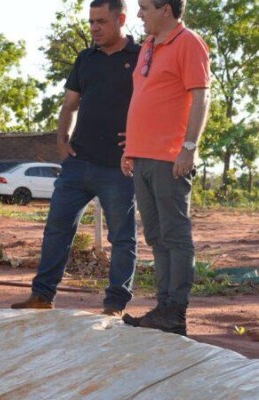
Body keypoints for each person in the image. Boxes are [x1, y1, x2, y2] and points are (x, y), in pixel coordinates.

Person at [11, 0, 139, 316]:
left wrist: (140, 139)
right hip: (77, 163)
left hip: (118, 167)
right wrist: (61, 140)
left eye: (101, 21)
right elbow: (69, 105)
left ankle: (114, 304)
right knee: (57, 229)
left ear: (121, 19)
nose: (94, 28)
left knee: (122, 238)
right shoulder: (85, 58)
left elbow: (156, 103)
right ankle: (42, 295)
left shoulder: (140, 57)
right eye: (91, 22)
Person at [121, 0, 210, 335]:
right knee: (156, 235)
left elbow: (201, 96)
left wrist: (189, 147)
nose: (139, 14)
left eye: (145, 7)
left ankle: (176, 311)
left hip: (169, 158)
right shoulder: (148, 46)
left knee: (175, 233)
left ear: (166, 10)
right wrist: (130, 147)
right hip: (142, 156)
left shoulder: (188, 43)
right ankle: (163, 308)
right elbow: (144, 98)